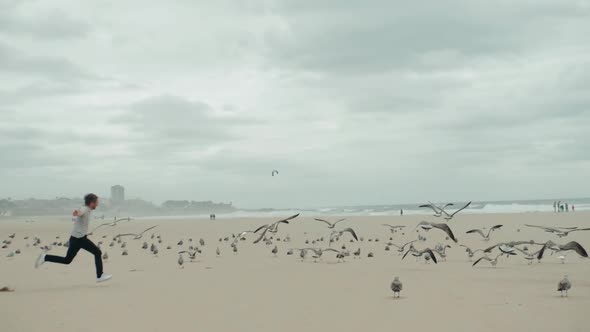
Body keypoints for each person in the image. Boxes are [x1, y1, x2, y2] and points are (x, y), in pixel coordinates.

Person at [35, 193, 112, 283]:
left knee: (67, 260)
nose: (97, 204)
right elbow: (80, 212)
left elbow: (81, 217)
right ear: (92, 203)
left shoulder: (88, 209)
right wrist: (77, 213)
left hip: (76, 238)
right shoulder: (84, 209)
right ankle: (99, 275)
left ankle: (45, 257)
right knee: (97, 252)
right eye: (96, 202)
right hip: (80, 239)